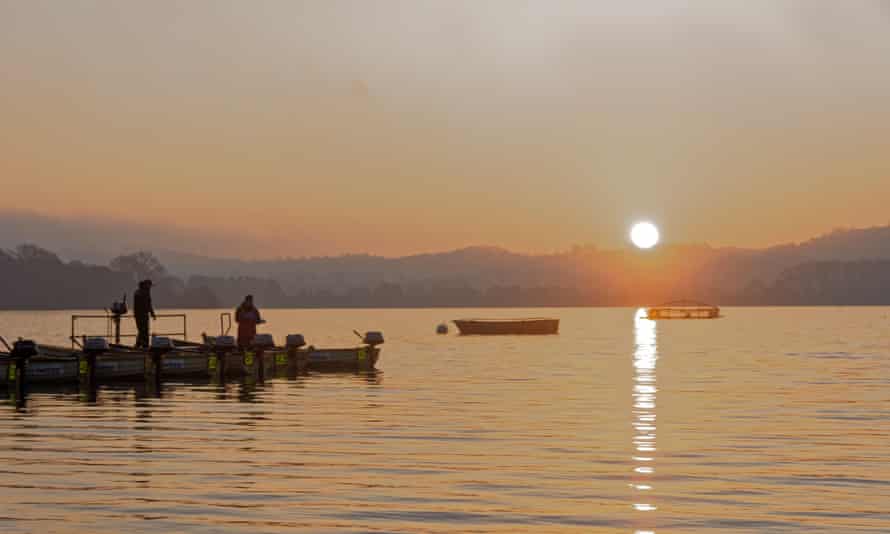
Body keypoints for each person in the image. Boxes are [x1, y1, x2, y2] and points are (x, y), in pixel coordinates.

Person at [133, 279, 157, 348]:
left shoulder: (138, 292)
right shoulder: (145, 293)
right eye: (149, 285)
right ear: (146, 285)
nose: (150, 287)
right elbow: (148, 304)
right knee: (144, 330)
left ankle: (140, 344)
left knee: (141, 330)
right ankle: (143, 345)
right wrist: (152, 314)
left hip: (138, 315)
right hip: (142, 315)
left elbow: (147, 304)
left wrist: (151, 313)